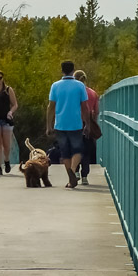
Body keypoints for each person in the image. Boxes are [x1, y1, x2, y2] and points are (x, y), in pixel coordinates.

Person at [46, 59, 90, 189]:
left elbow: (51, 107)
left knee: (65, 152)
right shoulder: (80, 86)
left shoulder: (55, 86)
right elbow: (85, 107)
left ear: (62, 71)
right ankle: (73, 169)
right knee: (77, 150)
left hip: (60, 124)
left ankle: (70, 178)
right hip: (75, 123)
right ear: (73, 70)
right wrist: (87, 123)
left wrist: (48, 125)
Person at [74, 69, 99, 185]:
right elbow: (96, 111)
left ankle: (76, 171)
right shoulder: (93, 93)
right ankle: (85, 176)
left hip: (75, 123)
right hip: (88, 123)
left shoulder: (75, 93)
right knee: (86, 151)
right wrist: (93, 123)